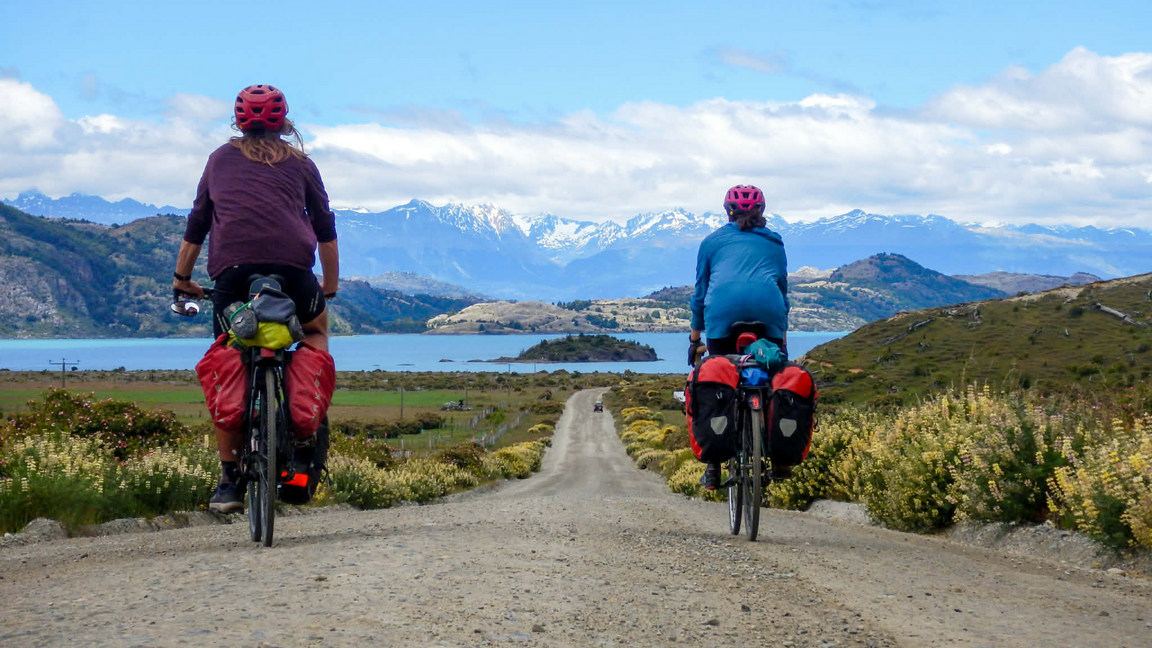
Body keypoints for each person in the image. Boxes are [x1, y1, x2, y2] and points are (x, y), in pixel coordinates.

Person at [172, 84, 340, 513]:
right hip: (293, 276)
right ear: (285, 123)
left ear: (237, 121)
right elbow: (325, 230)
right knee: (316, 334)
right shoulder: (302, 163)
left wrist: (182, 279)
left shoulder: (219, 159)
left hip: (233, 278)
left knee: (228, 355)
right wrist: (329, 287)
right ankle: (303, 440)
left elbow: (198, 225)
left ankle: (228, 482)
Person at [688, 184, 789, 489]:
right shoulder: (775, 242)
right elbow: (782, 289)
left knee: (717, 379)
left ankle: (713, 465)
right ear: (762, 211)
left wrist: (695, 339)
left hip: (721, 316)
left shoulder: (711, 242)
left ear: (727, 211)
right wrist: (781, 336)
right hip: (769, 315)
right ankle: (781, 456)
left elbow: (701, 293)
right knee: (776, 376)